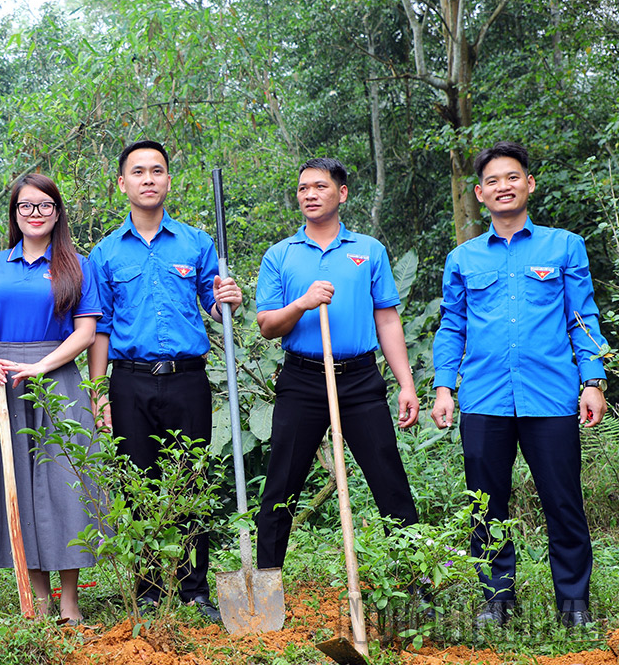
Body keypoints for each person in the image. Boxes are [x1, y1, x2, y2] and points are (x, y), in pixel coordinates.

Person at [431, 141, 607, 629]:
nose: (503, 186)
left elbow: (581, 318)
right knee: (486, 505)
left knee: (563, 502)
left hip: (550, 397)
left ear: (529, 184)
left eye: (512, 177)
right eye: (492, 181)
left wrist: (593, 380)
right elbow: (452, 327)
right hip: (485, 398)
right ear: (479, 194)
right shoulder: (463, 259)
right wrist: (444, 388)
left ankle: (574, 604)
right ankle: (497, 601)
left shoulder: (564, 246)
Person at [87, 140, 243, 621]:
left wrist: (227, 300)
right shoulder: (105, 253)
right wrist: (98, 395)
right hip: (129, 381)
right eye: (139, 172)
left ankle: (195, 589)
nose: (149, 178)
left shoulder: (196, 243)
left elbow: (214, 308)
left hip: (186, 380)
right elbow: (101, 327)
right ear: (123, 184)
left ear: (169, 181)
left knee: (191, 481)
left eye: (157, 170)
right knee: (138, 484)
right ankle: (151, 587)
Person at [255, 158, 420, 574]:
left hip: (361, 379)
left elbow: (386, 319)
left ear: (341, 193)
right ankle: (268, 581)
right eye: (303, 188)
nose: (309, 194)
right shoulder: (281, 255)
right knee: (281, 485)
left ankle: (416, 584)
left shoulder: (369, 250)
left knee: (389, 479)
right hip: (301, 379)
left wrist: (406, 384)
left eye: (320, 187)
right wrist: (302, 303)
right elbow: (268, 326)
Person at [0, 173, 101, 624]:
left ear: (57, 211)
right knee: (17, 489)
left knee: (63, 488)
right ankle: (39, 597)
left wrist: (42, 366)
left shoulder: (77, 264)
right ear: (15, 214)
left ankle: (70, 601)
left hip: (59, 380)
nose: (35, 213)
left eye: (44, 205)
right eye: (25, 206)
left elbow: (87, 331)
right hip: (4, 381)